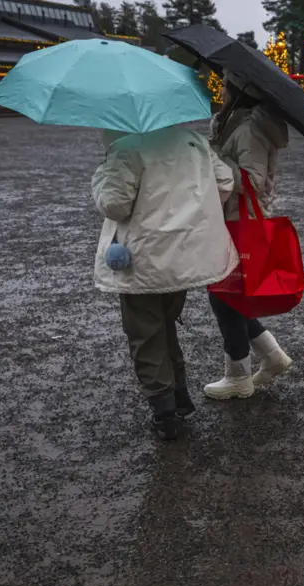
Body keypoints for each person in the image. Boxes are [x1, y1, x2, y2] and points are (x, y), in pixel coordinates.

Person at [91, 126, 238, 440]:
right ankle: (179, 395)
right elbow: (225, 181)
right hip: (182, 256)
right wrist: (190, 213)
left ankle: (164, 412)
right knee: (165, 322)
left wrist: (103, 175)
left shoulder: (128, 147)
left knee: (145, 332)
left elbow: (114, 204)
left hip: (141, 258)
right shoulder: (194, 142)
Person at [204, 72, 295, 400]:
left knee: (224, 297)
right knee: (230, 296)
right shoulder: (234, 124)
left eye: (227, 85)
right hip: (232, 221)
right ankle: (272, 357)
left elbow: (253, 180)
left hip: (242, 223)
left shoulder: (249, 130)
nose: (222, 90)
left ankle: (238, 376)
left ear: (241, 92)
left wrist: (213, 160)